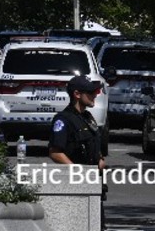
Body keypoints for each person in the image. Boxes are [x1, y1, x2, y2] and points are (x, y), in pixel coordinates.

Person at [50, 75, 106, 227]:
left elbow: (94, 143)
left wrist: (100, 159)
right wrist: (76, 171)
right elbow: (55, 152)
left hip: (94, 183)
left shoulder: (88, 117)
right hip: (75, 184)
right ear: (77, 94)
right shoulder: (63, 120)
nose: (95, 95)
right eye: (90, 92)